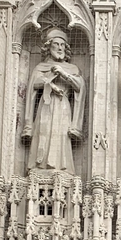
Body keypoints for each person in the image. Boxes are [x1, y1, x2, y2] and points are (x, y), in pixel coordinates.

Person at [22, 29, 85, 173]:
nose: (60, 47)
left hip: (63, 106)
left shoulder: (72, 68)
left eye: (63, 45)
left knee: (61, 135)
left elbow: (79, 86)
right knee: (43, 133)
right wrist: (49, 82)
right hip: (46, 106)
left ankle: (62, 169)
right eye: (56, 44)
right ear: (49, 47)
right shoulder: (41, 67)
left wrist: (63, 74)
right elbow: (33, 85)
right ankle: (39, 167)